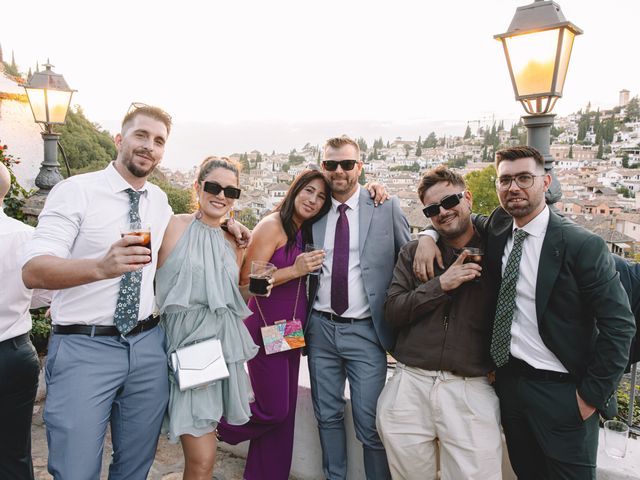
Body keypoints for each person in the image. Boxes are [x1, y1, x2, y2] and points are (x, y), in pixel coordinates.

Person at [416, 145, 635, 479]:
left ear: (545, 183)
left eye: (524, 178)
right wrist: (428, 234)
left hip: (564, 392)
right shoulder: (501, 227)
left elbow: (619, 324)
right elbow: (461, 218)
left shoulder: (580, 244)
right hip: (511, 387)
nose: (513, 188)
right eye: (505, 180)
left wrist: (589, 396)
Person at [22, 104, 175, 480]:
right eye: (141, 135)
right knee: (74, 470)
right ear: (120, 139)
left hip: (146, 346)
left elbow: (183, 235)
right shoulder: (75, 191)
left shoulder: (159, 200)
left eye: (159, 141)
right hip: (83, 348)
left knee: (135, 466)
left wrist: (230, 230)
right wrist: (99, 268)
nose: (149, 147)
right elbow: (33, 270)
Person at [377, 166, 502, 480]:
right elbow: (393, 312)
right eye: (433, 209)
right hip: (410, 383)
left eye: (450, 201)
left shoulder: (499, 250)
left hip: (469, 388)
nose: (444, 212)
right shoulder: (412, 254)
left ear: (468, 197)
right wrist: (441, 284)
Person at [306, 135, 411, 480]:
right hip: (320, 329)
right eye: (331, 164)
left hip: (366, 332)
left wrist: (430, 239)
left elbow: (409, 256)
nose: (339, 171)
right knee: (327, 416)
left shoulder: (385, 206)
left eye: (347, 164)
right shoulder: (314, 209)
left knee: (370, 425)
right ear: (322, 167)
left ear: (359, 167)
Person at [216, 168, 331, 479]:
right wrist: (294, 270)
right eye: (308, 191)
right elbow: (246, 282)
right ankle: (212, 425)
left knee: (286, 415)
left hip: (289, 330)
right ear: (295, 189)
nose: (313, 200)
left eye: (321, 196)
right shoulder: (272, 225)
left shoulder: (302, 229)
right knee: (274, 409)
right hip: (264, 329)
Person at [156, 156, 260, 480]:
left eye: (231, 190)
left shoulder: (236, 240)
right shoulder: (172, 225)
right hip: (176, 345)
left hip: (214, 356)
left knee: (202, 459)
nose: (221, 195)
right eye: (213, 186)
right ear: (198, 187)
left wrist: (254, 290)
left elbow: (232, 300)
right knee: (201, 458)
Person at [0, 162, 52, 480]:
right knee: (15, 452)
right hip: (14, 354)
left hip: (15, 354)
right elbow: (45, 295)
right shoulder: (26, 236)